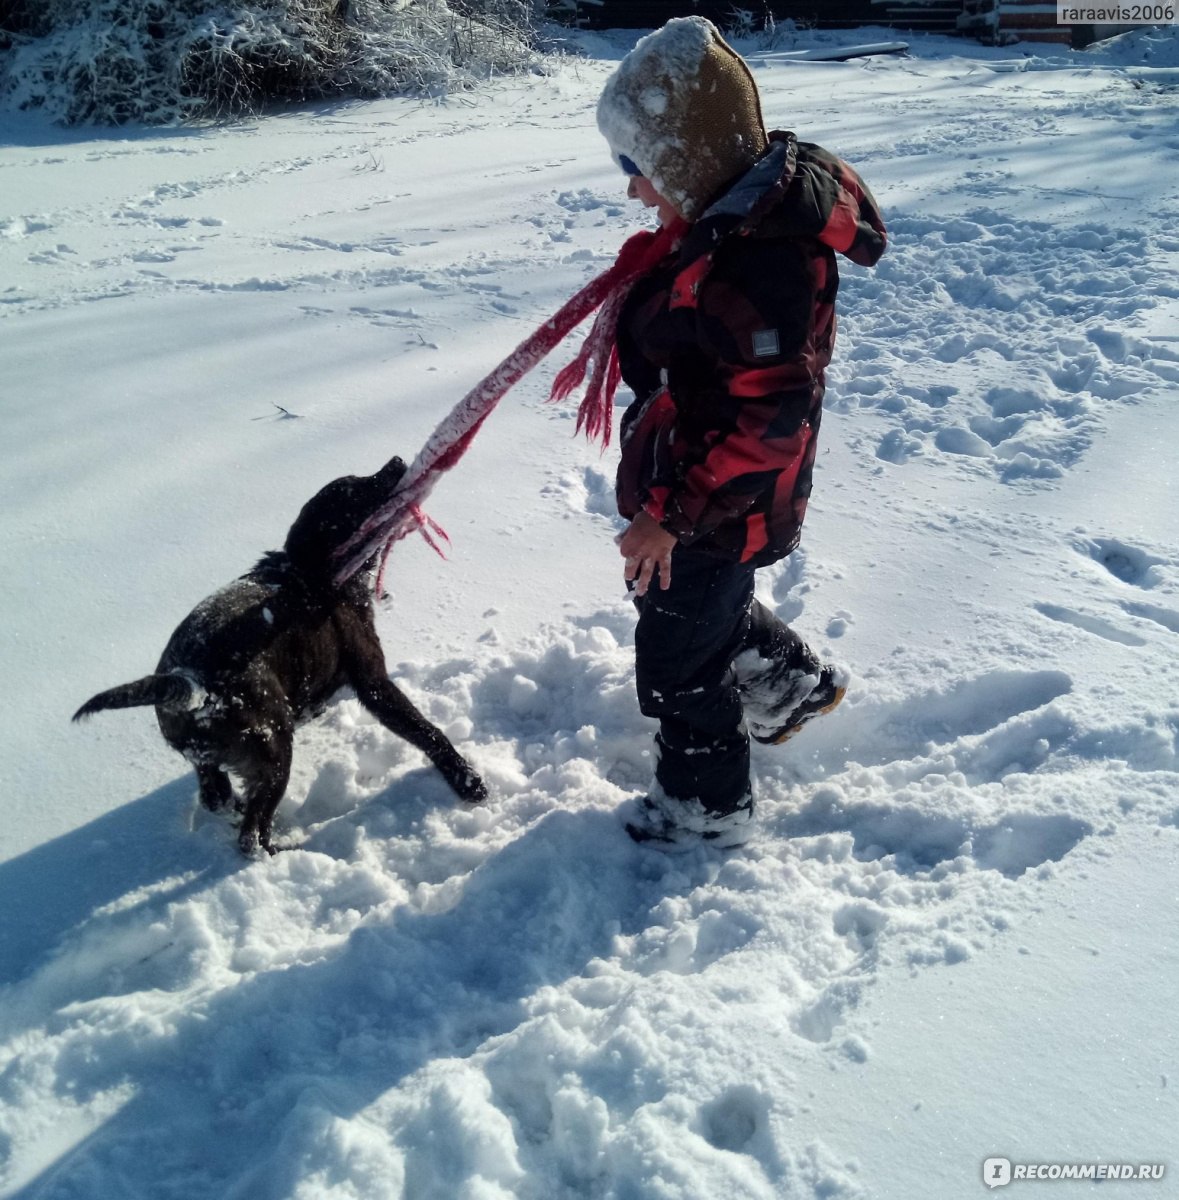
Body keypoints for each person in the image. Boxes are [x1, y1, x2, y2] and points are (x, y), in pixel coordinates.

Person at [594, 17, 887, 848]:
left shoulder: (754, 265)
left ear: (685, 160)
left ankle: (704, 811)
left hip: (720, 497)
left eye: (639, 169)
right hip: (702, 485)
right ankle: (792, 689)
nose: (633, 192)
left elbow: (766, 423)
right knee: (694, 605)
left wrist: (670, 517)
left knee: (680, 661)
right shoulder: (720, 232)